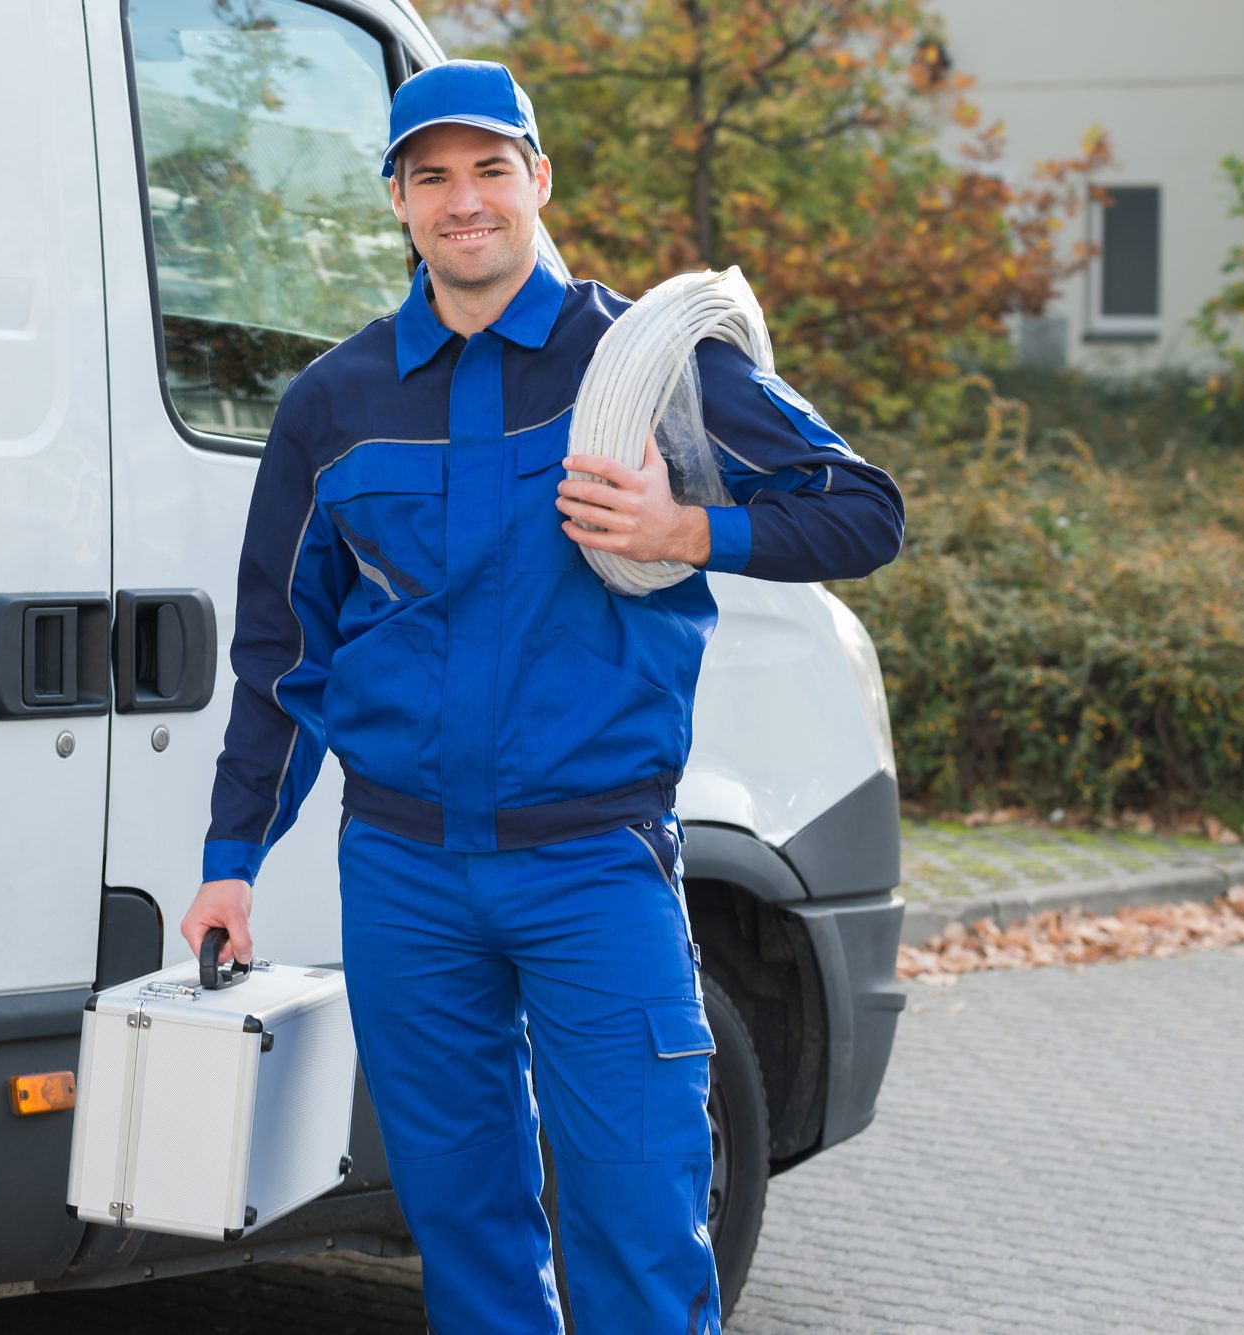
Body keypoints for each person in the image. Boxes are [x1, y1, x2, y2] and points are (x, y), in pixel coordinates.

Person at [179, 58, 903, 1334]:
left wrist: (689, 529)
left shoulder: (651, 365)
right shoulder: (332, 406)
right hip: (403, 876)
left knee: (636, 1224)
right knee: (466, 1237)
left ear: (537, 181)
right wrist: (233, 858)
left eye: (489, 170)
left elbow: (861, 510)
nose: (464, 202)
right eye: (431, 177)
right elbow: (283, 655)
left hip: (592, 865)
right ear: (398, 203)